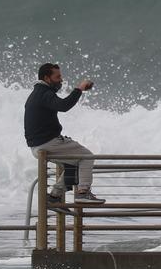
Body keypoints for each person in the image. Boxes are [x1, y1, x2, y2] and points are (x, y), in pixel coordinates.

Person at [24, 63, 103, 204]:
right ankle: (83, 193)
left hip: (37, 145)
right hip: (47, 143)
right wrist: (79, 89)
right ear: (47, 78)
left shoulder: (38, 93)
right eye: (58, 77)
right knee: (87, 156)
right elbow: (64, 106)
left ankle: (54, 196)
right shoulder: (44, 93)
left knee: (73, 163)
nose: (61, 80)